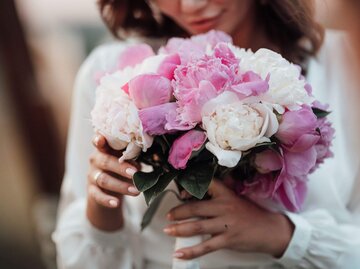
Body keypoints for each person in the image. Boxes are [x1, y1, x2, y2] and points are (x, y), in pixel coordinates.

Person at [52, 0, 360, 268]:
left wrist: (284, 235)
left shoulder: (346, 60)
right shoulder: (112, 76)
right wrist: (102, 209)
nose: (191, 5)